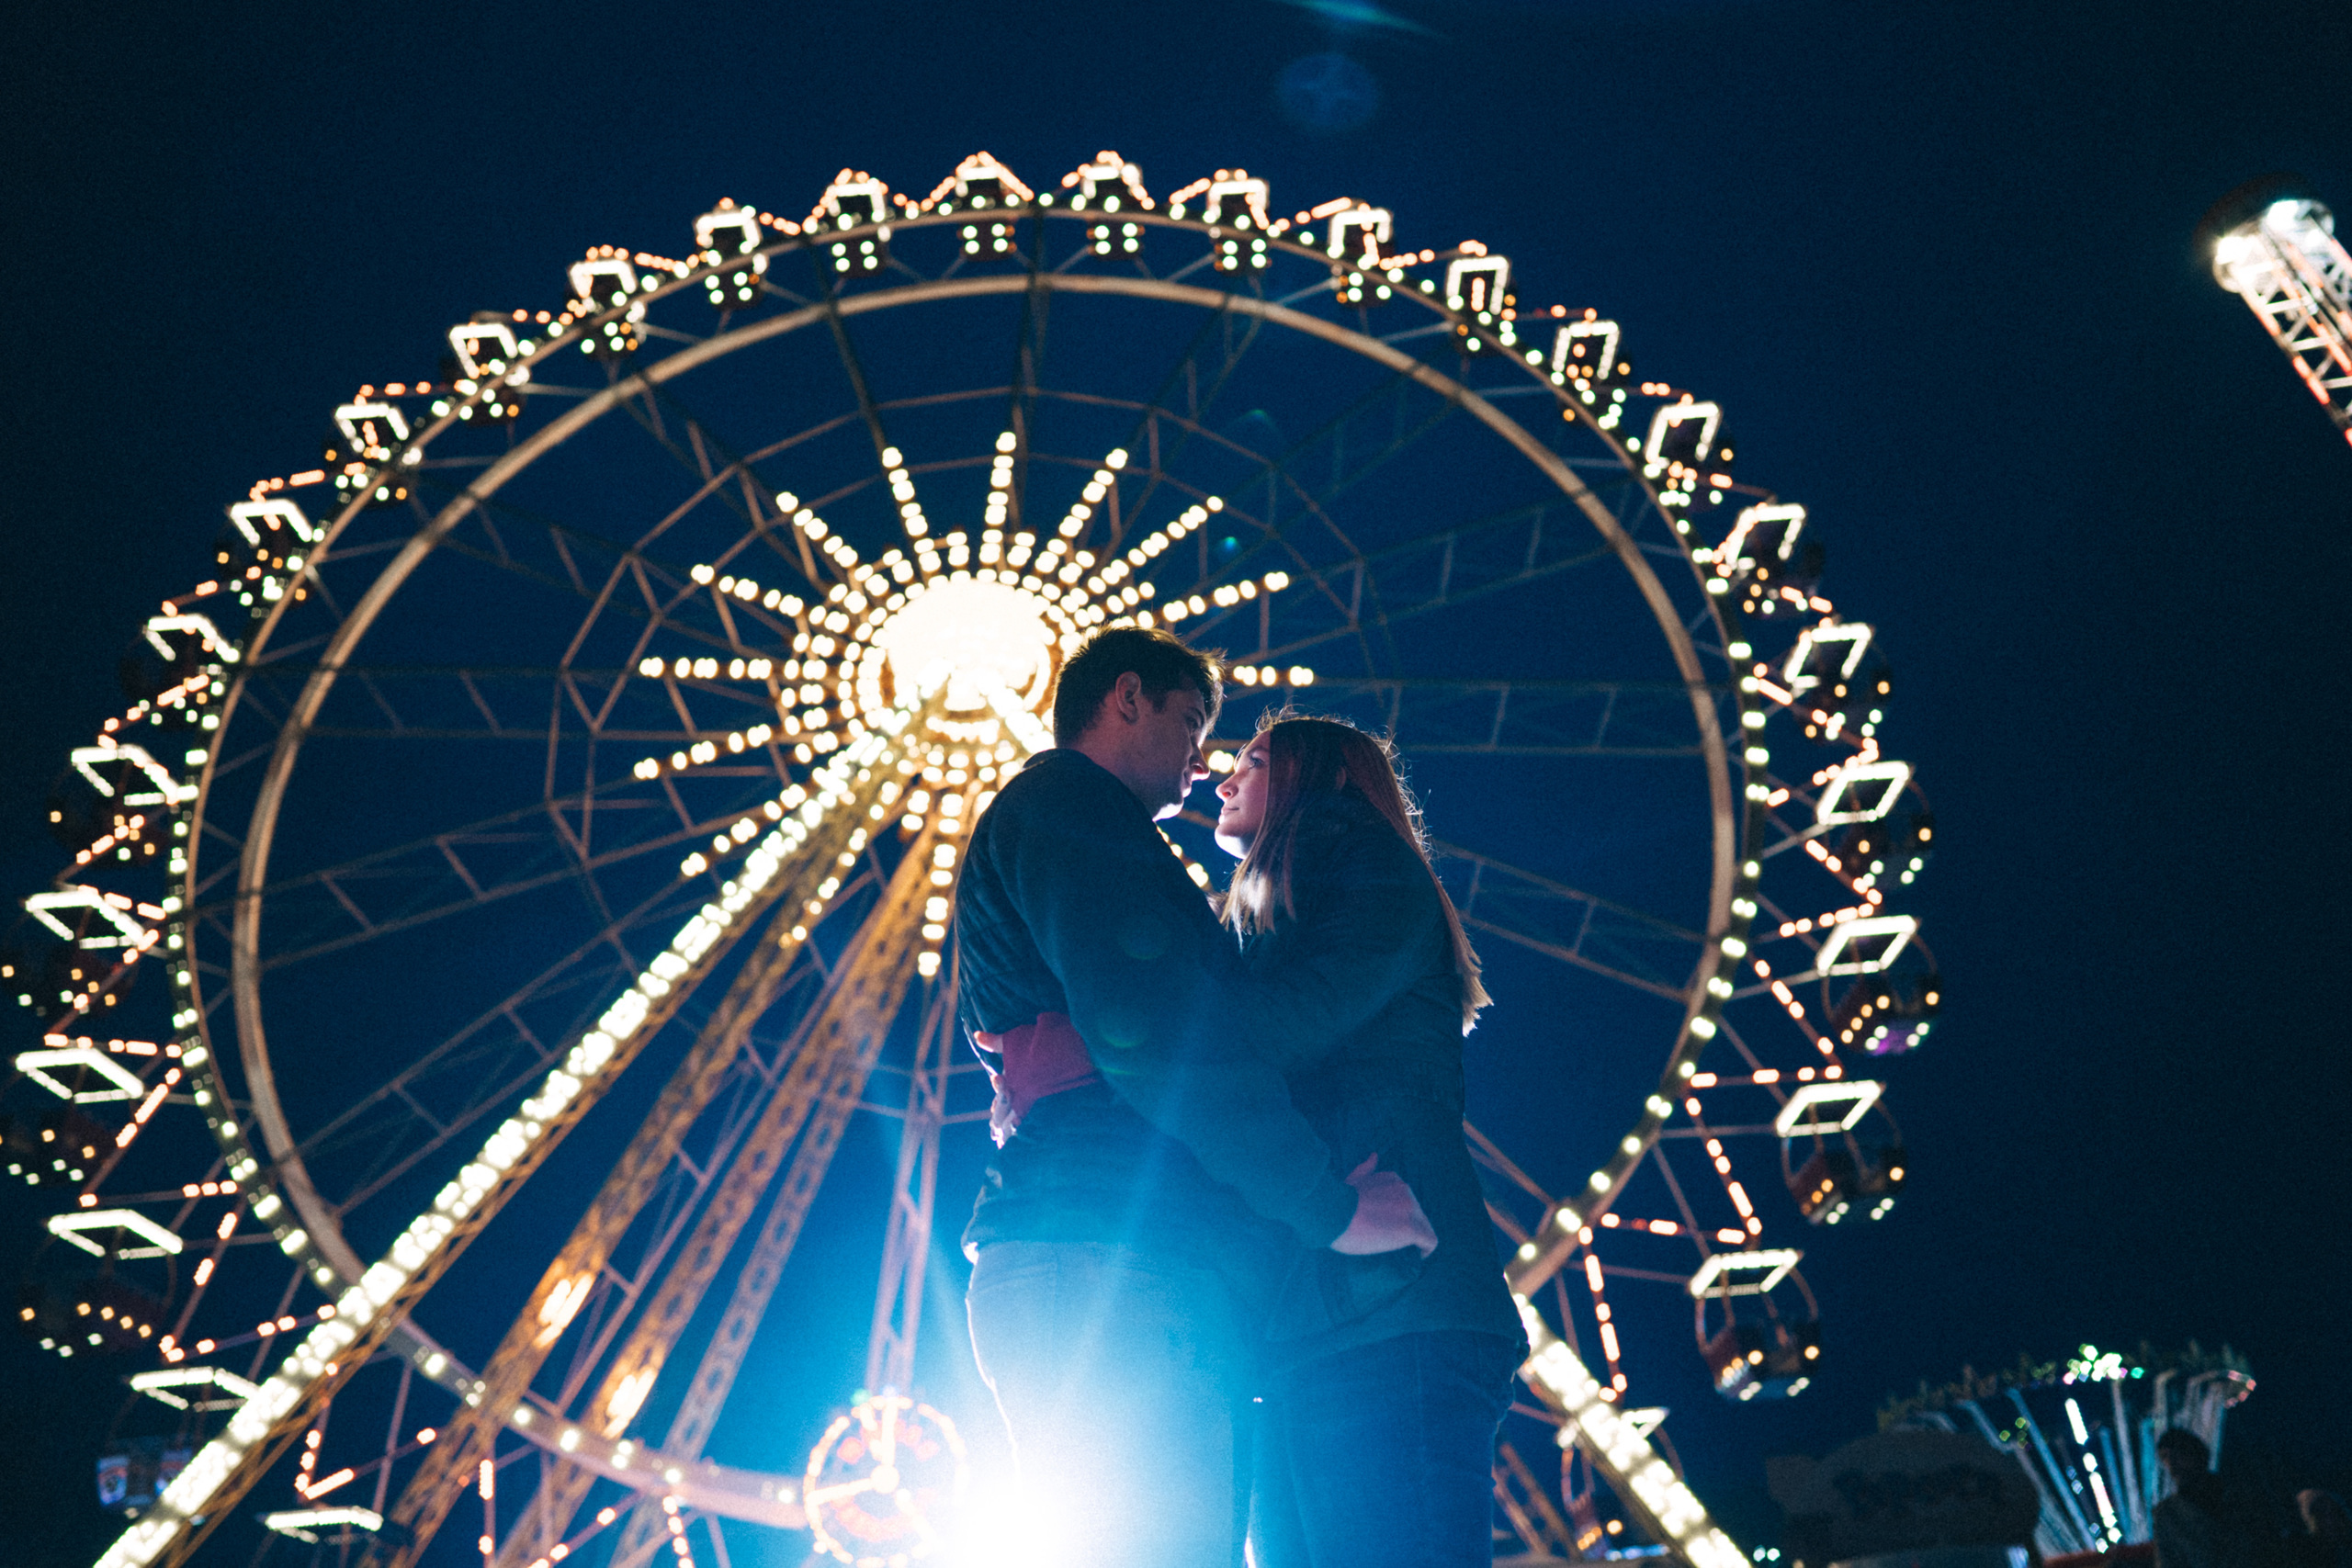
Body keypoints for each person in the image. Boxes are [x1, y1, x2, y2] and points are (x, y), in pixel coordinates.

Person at [956, 627, 1437, 1568]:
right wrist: (1327, 1206)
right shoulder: (1066, 803)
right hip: (1110, 1257)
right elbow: (1165, 1033)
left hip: (1108, 1255)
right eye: (1189, 722)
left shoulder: (1068, 830)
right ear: (1126, 697)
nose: (1200, 758)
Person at [1213, 714, 1528, 1568]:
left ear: (1325, 777)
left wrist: (1143, 1031)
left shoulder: (1353, 855)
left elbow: (1291, 1025)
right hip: (1334, 1309)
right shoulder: (1295, 894)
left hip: (1391, 1301)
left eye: (1252, 758)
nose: (1222, 775)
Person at [2154, 1428, 2282, 1568]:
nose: (2172, 1464)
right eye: (2165, 1457)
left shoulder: (2241, 1497)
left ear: (2195, 1453)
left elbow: (2267, 1546)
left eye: (2178, 1454)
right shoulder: (2167, 1514)